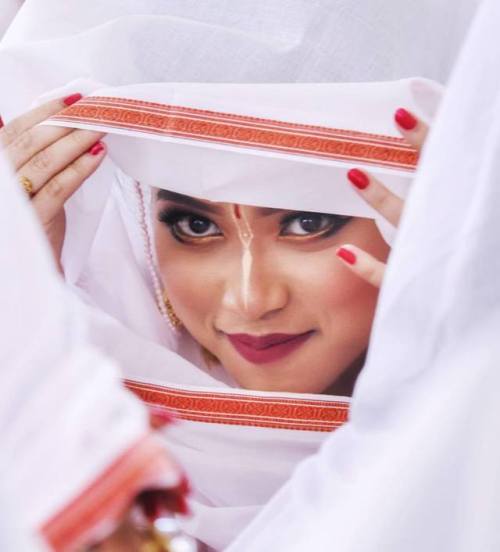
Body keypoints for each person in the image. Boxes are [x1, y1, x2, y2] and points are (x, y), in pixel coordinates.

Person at [0, 1, 480, 550]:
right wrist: (23, 300)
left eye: (307, 221)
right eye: (194, 225)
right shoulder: (57, 440)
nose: (251, 300)